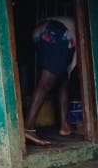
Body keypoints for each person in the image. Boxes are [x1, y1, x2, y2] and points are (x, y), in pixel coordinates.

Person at [24, 15, 77, 146]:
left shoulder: (71, 23)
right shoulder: (82, 33)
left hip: (40, 32)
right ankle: (27, 127)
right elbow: (74, 61)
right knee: (46, 82)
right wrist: (71, 70)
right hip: (56, 33)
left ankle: (65, 126)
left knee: (63, 80)